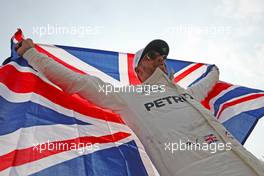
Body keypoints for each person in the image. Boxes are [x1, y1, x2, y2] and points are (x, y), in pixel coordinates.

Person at [16, 39, 264, 176]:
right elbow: (77, 82)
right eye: (152, 55)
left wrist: (214, 70)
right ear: (138, 70)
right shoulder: (130, 97)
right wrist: (31, 54)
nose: (160, 59)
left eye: (162, 56)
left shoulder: (188, 95)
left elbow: (208, 83)